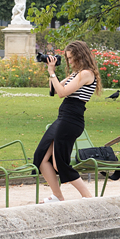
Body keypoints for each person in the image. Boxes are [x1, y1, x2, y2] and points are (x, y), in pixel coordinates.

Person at [33, 40, 102, 202]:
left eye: (71, 58)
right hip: (63, 118)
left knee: (60, 164)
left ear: (80, 55)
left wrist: (52, 72)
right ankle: (57, 196)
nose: (69, 61)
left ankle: (88, 197)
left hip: (71, 120)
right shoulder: (76, 73)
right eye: (67, 58)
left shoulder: (86, 74)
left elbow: (62, 93)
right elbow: (53, 90)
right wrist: (52, 70)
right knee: (41, 157)